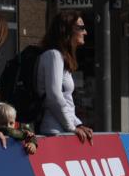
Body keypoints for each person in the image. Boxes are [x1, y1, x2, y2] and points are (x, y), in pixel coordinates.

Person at [37, 11, 93, 143]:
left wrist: (77, 124)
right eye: (81, 28)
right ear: (67, 30)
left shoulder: (61, 57)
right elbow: (54, 96)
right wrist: (72, 127)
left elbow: (66, 99)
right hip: (53, 131)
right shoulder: (54, 55)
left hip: (61, 129)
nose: (85, 32)